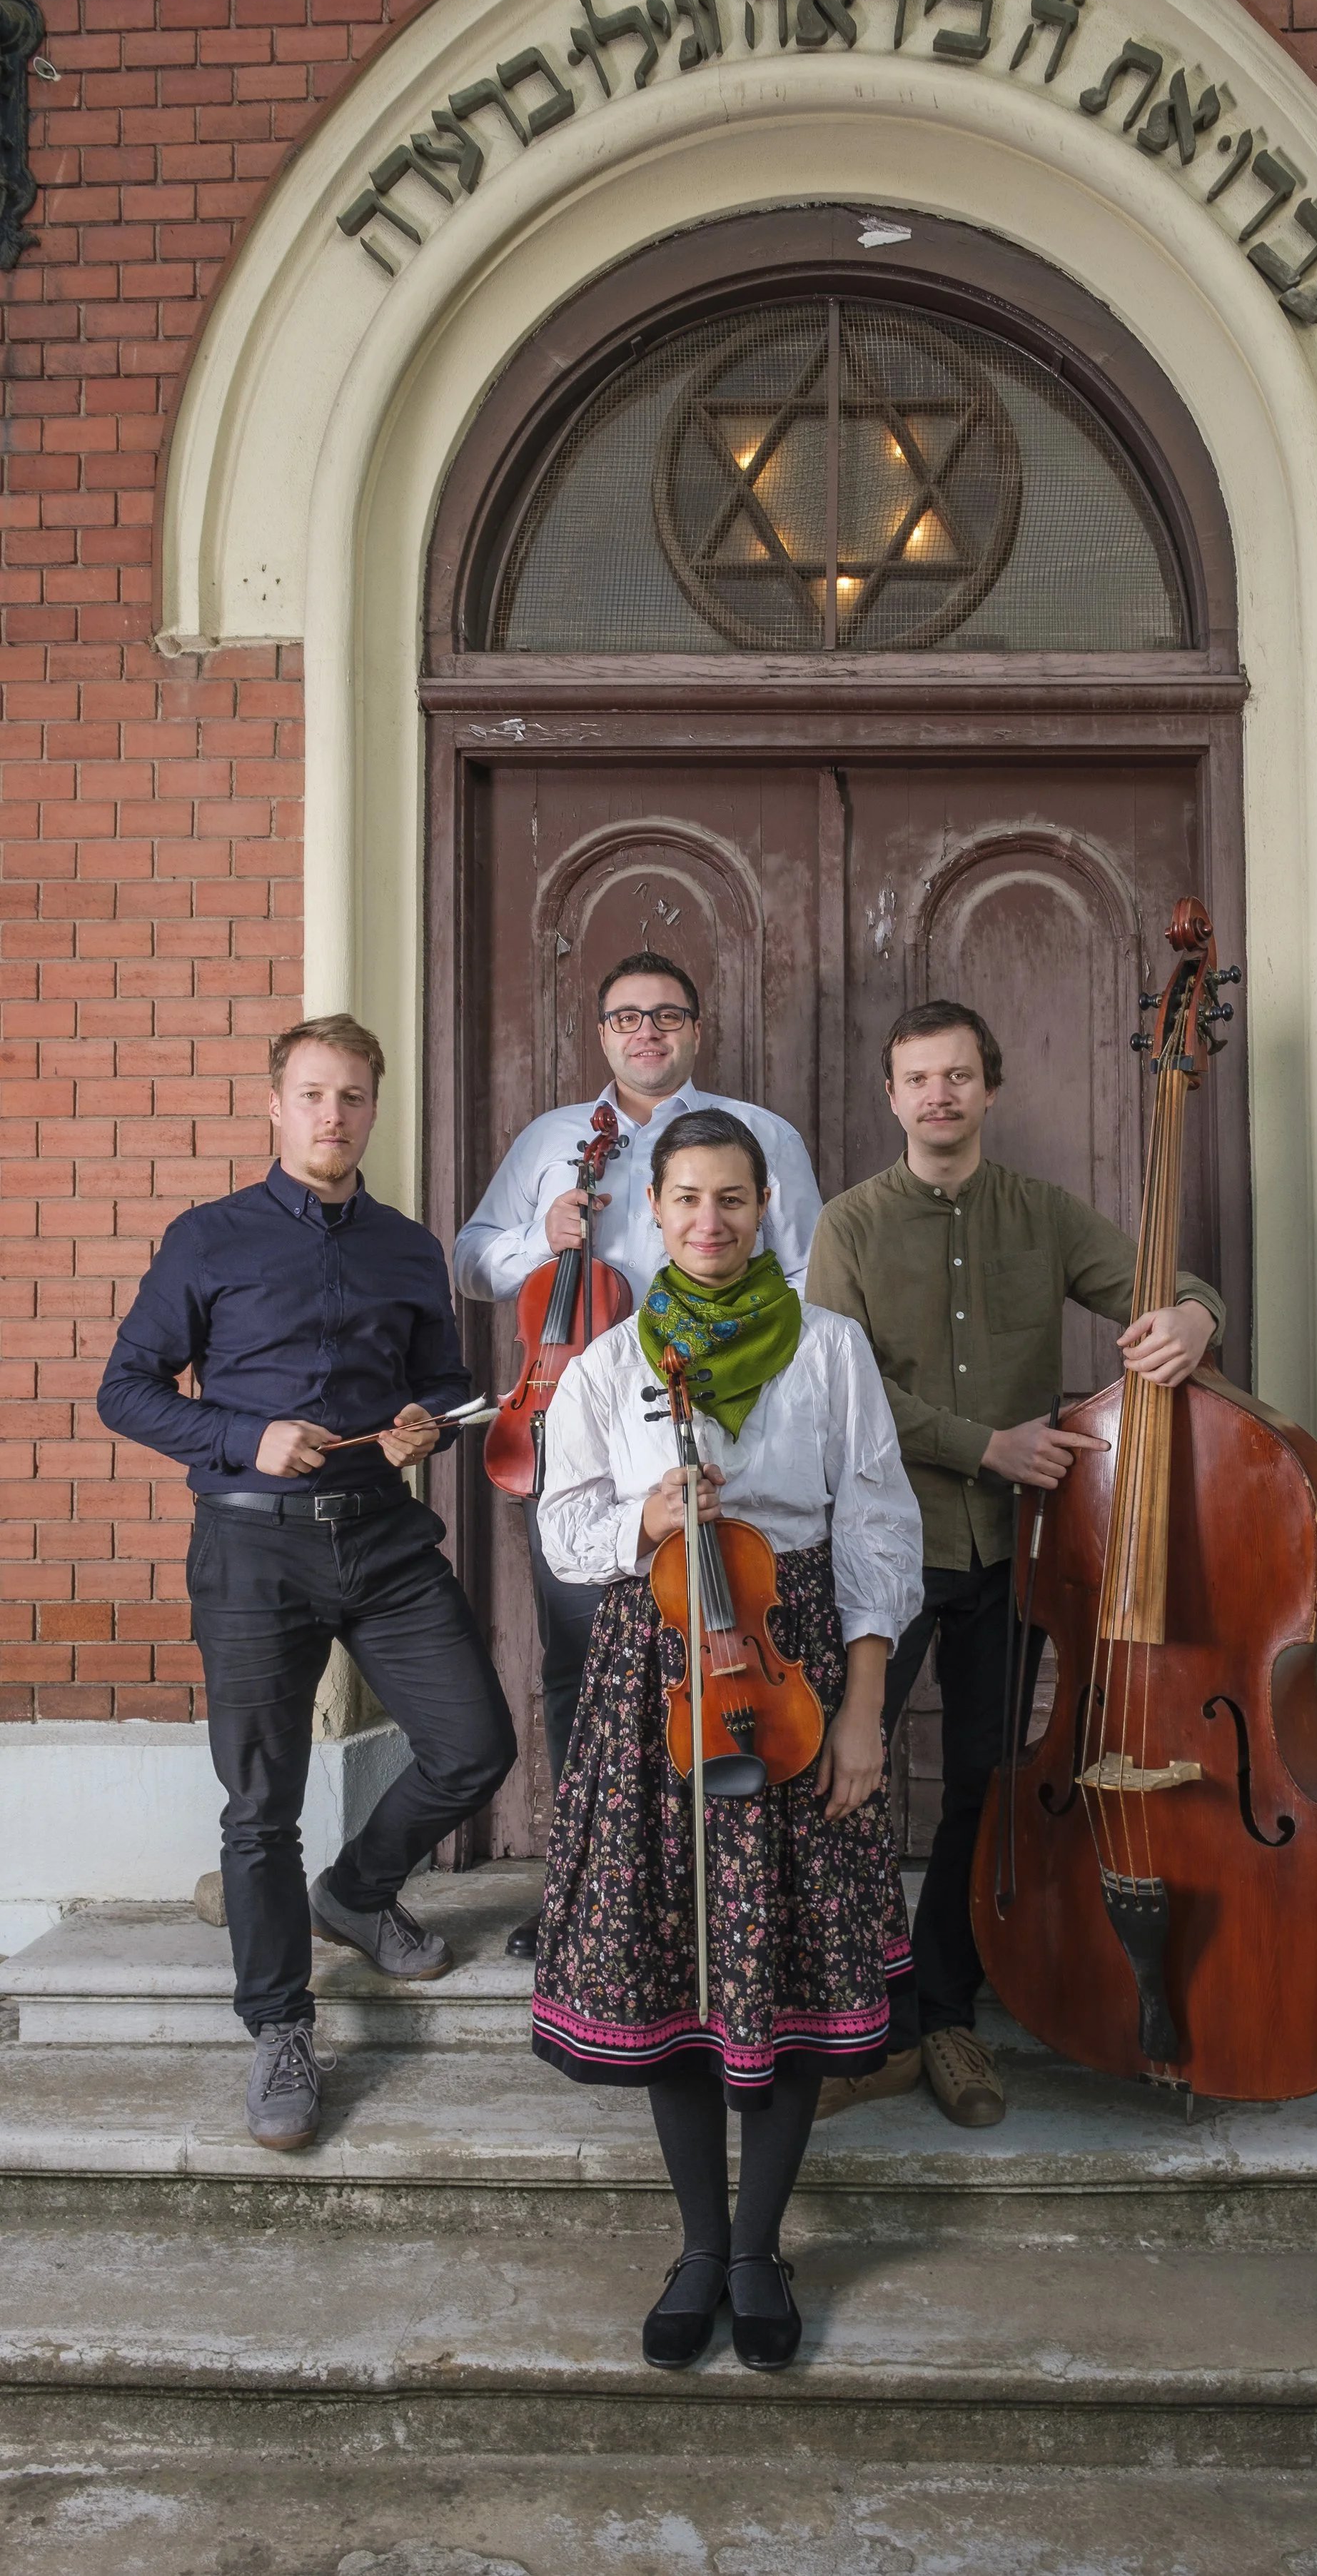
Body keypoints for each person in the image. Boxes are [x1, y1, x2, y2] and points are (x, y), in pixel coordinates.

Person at [530, 1110, 922, 2372]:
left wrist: (865, 1710)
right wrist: (645, 1513)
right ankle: (700, 2244)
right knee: (675, 1964)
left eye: (735, 1200)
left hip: (795, 1675)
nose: (711, 1222)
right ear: (654, 1209)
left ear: (766, 1209)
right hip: (661, 1682)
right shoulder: (605, 1365)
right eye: (689, 1199)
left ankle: (759, 2248)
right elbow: (562, 1529)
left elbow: (875, 1530)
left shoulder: (828, 1347)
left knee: (794, 1965)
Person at [96, 1015, 517, 2153]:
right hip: (251, 1547)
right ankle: (281, 2024)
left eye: (353, 1098)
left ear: (373, 1111)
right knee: (259, 1807)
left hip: (381, 1536)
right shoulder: (207, 1239)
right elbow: (125, 1389)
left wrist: (428, 1422)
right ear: (275, 1105)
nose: (333, 1116)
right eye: (313, 1095)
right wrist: (243, 1434)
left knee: (476, 1746)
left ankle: (360, 1889)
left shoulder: (405, 1245)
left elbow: (442, 1378)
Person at [804, 1000, 1226, 2130]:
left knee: (987, 1790)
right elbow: (841, 1389)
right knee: (847, 1780)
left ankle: (944, 2015)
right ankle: (848, 2018)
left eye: (957, 1077)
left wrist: (1194, 1315)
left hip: (1022, 1553)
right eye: (917, 1078)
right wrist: (980, 1442)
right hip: (884, 1551)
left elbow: (1166, 1290)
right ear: (890, 1096)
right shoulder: (847, 1224)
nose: (938, 1096)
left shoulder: (1042, 1213)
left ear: (990, 1090)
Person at [454, 951, 823, 1961]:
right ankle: (581, 1884)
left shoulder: (763, 1136)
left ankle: (726, 1892)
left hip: (727, 1443)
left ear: (697, 1030)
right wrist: (542, 1237)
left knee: (740, 1665)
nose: (646, 1032)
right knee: (583, 1676)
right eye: (625, 1017)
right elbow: (471, 1257)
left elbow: (805, 1273)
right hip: (585, 1446)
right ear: (602, 1034)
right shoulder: (552, 1142)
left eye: (666, 1015)